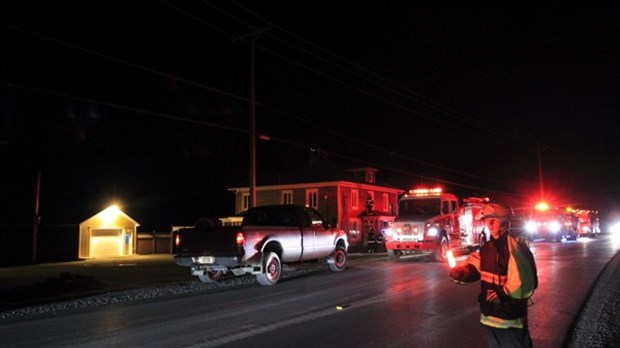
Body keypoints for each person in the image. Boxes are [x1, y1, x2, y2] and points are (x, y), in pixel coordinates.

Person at [449, 203, 538, 347]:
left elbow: (523, 282)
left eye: (493, 221)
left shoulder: (516, 249)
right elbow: (476, 268)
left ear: (504, 223)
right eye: (486, 221)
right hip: (490, 316)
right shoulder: (487, 248)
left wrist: (502, 294)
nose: (489, 225)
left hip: (510, 318)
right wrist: (462, 273)